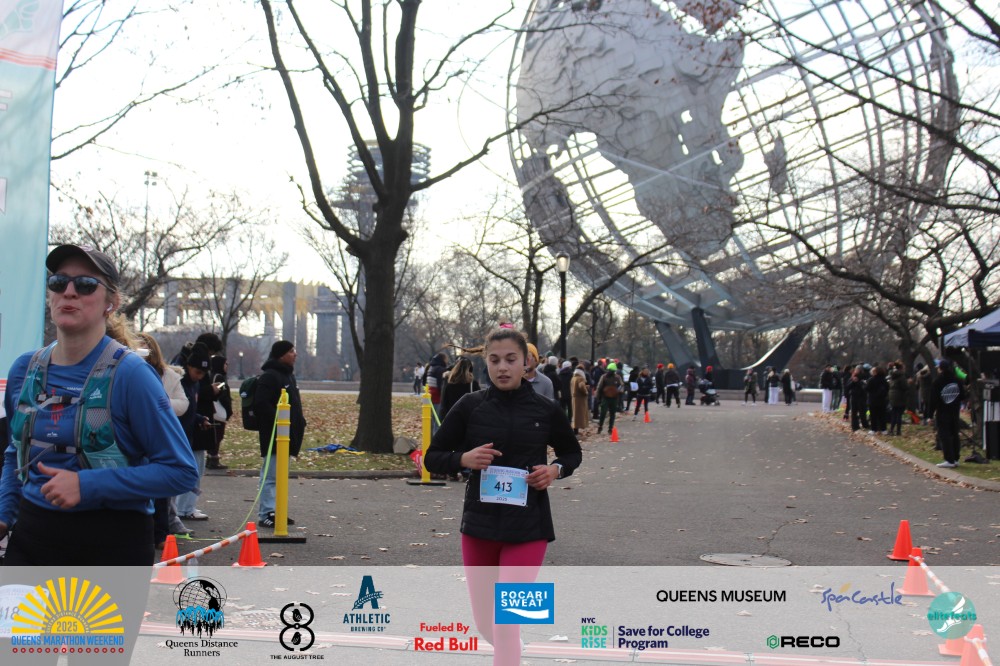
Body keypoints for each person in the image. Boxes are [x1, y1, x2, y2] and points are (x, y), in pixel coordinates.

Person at [0, 244, 198, 565]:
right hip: (32, 538)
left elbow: (181, 471)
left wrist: (87, 484)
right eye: (58, 282)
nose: (69, 292)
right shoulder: (24, 369)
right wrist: (4, 512)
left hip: (111, 546)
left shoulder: (132, 375)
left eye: (85, 285)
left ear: (111, 302)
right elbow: (15, 451)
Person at [423, 327, 581, 666]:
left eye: (511, 359)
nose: (503, 367)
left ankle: (509, 652)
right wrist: (463, 459)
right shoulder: (470, 406)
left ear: (527, 363)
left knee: (506, 622)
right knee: (486, 625)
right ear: (486, 363)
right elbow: (432, 457)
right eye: (494, 360)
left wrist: (554, 470)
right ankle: (512, 653)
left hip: (528, 528)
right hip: (479, 528)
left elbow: (572, 453)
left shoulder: (545, 409)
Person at [135, 331, 194, 545]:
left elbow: (182, 404)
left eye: (144, 347)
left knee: (159, 486)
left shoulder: (168, 375)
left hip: (159, 433)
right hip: (133, 435)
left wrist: (159, 404)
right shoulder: (126, 370)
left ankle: (160, 533)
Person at [254, 340, 307, 528]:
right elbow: (260, 404)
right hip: (275, 436)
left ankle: (278, 511)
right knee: (270, 477)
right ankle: (266, 514)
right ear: (281, 355)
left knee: (280, 476)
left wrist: (299, 423)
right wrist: (279, 423)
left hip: (288, 435)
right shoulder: (270, 376)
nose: (295, 354)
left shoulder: (288, 376)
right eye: (291, 351)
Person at [175, 343, 214, 522]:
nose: (200, 377)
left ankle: (182, 508)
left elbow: (190, 409)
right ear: (188, 366)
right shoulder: (179, 382)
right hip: (177, 434)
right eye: (197, 372)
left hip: (188, 433)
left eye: (203, 374)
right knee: (181, 472)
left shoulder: (194, 384)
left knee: (191, 471)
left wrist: (199, 418)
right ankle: (179, 510)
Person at [929, 360, 966, 468]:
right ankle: (955, 458)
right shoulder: (956, 380)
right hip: (954, 411)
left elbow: (933, 400)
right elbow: (962, 395)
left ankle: (949, 459)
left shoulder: (937, 382)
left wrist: (929, 415)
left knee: (944, 435)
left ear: (940, 369)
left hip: (942, 411)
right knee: (954, 434)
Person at [205, 354, 233, 469]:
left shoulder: (210, 375)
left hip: (212, 411)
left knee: (213, 435)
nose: (227, 365)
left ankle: (210, 458)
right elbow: (221, 393)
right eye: (225, 363)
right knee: (218, 435)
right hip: (218, 411)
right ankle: (213, 459)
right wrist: (228, 409)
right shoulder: (219, 378)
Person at [440, 356, 481, 420]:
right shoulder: (473, 384)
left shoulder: (450, 385)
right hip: (468, 418)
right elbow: (479, 402)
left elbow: (444, 405)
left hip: (452, 418)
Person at [595, 362, 622, 435]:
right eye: (610, 370)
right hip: (605, 397)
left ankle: (610, 428)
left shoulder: (617, 377)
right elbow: (599, 387)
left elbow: (621, 386)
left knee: (612, 413)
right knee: (603, 413)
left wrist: (619, 391)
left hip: (614, 398)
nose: (611, 372)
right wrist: (597, 397)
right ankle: (600, 426)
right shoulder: (604, 377)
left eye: (612, 371)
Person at [425, 352, 449, 434]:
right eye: (446, 359)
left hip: (430, 396)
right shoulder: (441, 370)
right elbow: (441, 385)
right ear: (443, 359)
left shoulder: (430, 368)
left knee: (431, 420)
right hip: (437, 397)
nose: (447, 361)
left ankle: (430, 437)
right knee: (437, 421)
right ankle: (436, 438)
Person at [866, 365, 889, 434]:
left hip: (872, 400)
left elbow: (867, 388)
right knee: (882, 415)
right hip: (882, 400)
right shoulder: (884, 380)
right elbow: (887, 388)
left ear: (875, 372)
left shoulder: (871, 380)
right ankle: (883, 429)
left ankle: (873, 429)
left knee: (873, 415)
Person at [887, 362, 908, 436]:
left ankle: (891, 430)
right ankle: (898, 431)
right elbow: (904, 387)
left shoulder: (892, 375)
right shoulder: (901, 376)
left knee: (894, 413)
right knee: (899, 414)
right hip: (899, 396)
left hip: (892, 395)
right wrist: (908, 383)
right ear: (901, 368)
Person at [570, 365, 590, 435]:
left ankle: (575, 430)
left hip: (574, 398)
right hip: (580, 399)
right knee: (579, 415)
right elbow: (581, 386)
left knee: (575, 415)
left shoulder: (573, 378)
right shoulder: (580, 378)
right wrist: (586, 391)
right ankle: (576, 431)